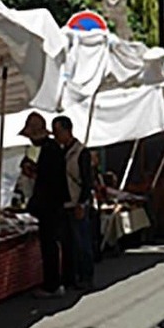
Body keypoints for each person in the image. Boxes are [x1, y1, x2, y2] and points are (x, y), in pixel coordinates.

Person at [20, 111, 72, 297]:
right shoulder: (52, 149)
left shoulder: (50, 150)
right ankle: (56, 282)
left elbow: (48, 180)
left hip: (50, 206)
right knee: (52, 245)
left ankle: (52, 284)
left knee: (49, 246)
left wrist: (32, 172)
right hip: (53, 204)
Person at [52, 116, 95, 289]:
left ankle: (86, 276)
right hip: (64, 203)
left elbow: (87, 181)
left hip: (77, 203)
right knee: (69, 243)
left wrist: (82, 204)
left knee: (82, 241)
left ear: (67, 130)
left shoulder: (81, 152)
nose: (56, 136)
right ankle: (71, 276)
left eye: (58, 132)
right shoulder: (61, 151)